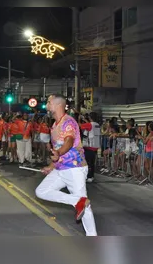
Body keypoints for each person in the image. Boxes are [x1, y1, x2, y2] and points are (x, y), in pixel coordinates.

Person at [35, 94, 97, 236]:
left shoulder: (68, 122)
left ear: (57, 105)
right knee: (41, 191)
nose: (46, 104)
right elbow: (58, 148)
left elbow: (69, 141)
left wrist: (59, 152)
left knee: (85, 208)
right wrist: (51, 165)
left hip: (75, 169)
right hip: (60, 168)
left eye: (49, 102)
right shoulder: (55, 125)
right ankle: (78, 201)